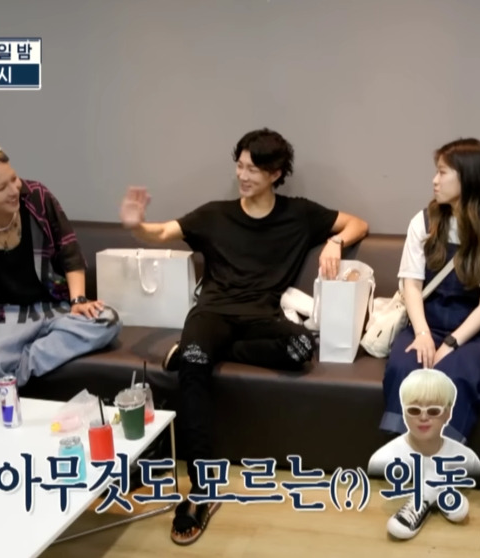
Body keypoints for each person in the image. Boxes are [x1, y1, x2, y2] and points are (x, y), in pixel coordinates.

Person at [118, 128, 369, 546]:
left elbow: (358, 223)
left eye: (253, 169)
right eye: (239, 166)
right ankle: (201, 489)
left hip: (262, 317)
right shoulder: (214, 215)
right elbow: (161, 233)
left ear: (275, 173)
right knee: (195, 365)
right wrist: (136, 224)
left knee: (300, 348)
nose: (243, 175)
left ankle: (200, 352)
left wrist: (335, 242)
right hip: (213, 312)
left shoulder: (299, 214)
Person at [0, 141, 121, 393]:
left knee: (107, 320)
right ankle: (2, 389)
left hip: (52, 308)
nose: (15, 190)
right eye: (2, 188)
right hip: (1, 317)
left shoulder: (37, 197)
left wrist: (78, 300)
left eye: (14, 179)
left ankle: (15, 369)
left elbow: (70, 252)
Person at [380, 138, 480, 444]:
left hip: (475, 333)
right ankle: (407, 453)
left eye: (442, 173)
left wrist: (452, 343)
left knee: (449, 375)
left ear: (468, 178)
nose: (435, 180)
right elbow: (412, 285)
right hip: (426, 322)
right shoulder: (424, 222)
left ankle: (442, 457)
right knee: (404, 367)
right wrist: (422, 334)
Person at [369, 368, 480, 540]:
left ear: (448, 414)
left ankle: (429, 492)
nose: (423, 417)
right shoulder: (384, 458)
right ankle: (435, 489)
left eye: (433, 411)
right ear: (404, 413)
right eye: (414, 410)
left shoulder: (467, 458)